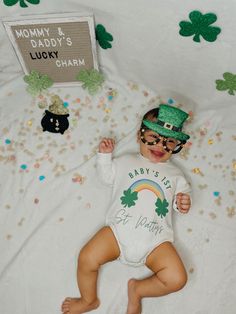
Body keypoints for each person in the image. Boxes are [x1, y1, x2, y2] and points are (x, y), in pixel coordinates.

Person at [61, 104, 192, 314]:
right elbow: (106, 178)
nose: (160, 146)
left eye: (169, 142)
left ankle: (138, 290)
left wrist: (182, 203)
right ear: (140, 136)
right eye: (153, 138)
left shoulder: (176, 175)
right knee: (87, 258)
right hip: (117, 232)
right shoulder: (126, 161)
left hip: (156, 240)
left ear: (176, 145)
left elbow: (179, 200)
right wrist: (104, 156)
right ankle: (89, 299)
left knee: (177, 279)